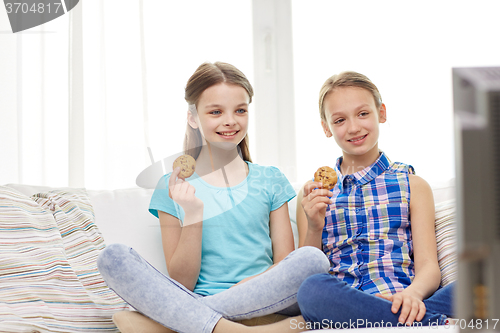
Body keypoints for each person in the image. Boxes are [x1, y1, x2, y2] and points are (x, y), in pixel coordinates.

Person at [97, 62, 329, 333]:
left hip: (266, 300)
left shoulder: (270, 179)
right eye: (216, 111)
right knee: (112, 257)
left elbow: (284, 266)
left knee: (313, 259)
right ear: (193, 117)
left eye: (240, 110)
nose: (230, 120)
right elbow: (181, 281)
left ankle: (181, 321)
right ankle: (234, 329)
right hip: (202, 295)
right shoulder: (171, 186)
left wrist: (248, 287)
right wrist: (193, 214)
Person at [292, 71, 455, 329]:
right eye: (340, 120)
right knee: (311, 289)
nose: (354, 127)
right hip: (346, 301)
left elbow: (429, 268)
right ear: (326, 127)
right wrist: (314, 226)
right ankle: (432, 324)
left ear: (381, 113)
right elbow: (306, 273)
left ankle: (399, 318)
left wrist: (411, 295)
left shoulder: (413, 185)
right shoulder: (312, 194)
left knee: (481, 280)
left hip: (406, 297)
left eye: (363, 114)